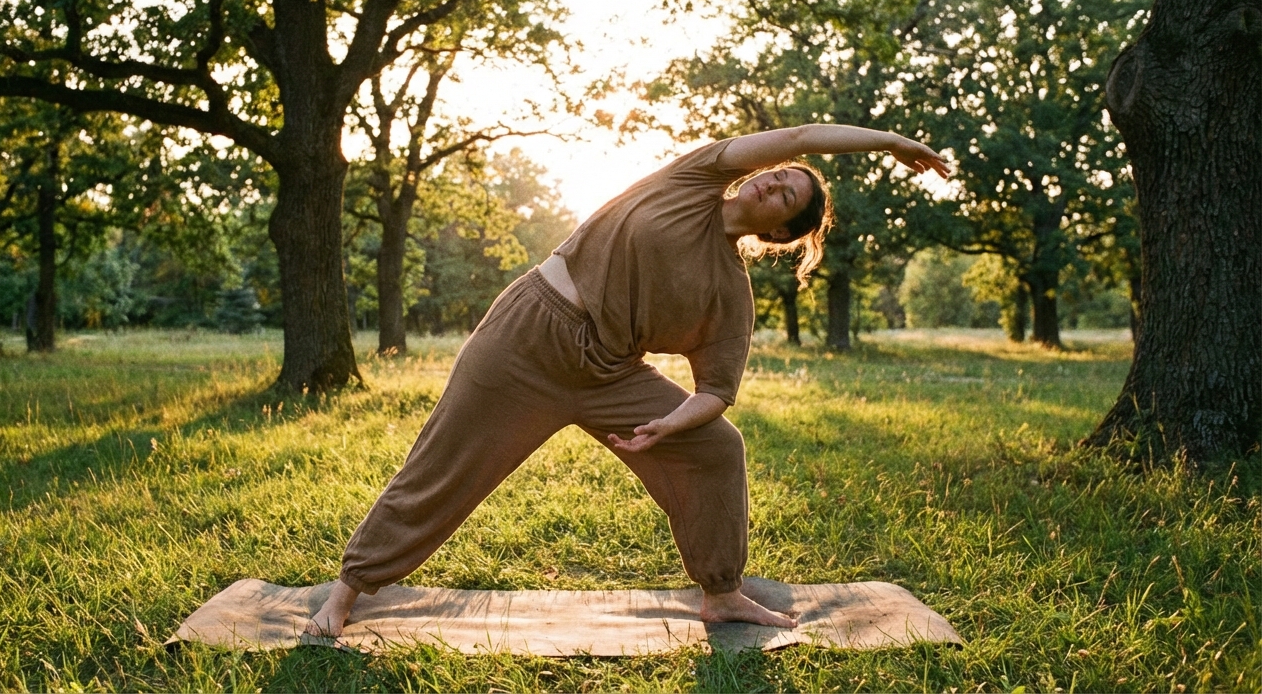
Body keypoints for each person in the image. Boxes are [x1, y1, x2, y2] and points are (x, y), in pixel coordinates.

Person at [306, 124, 950, 637]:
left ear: (779, 232)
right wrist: (888, 143)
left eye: (785, 195)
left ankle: (722, 593)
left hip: (607, 373)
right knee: (444, 464)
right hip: (525, 339)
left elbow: (716, 392)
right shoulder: (694, 178)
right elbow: (800, 137)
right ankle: (349, 590)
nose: (771, 183)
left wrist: (671, 424)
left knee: (718, 445)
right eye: (775, 176)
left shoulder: (730, 293)